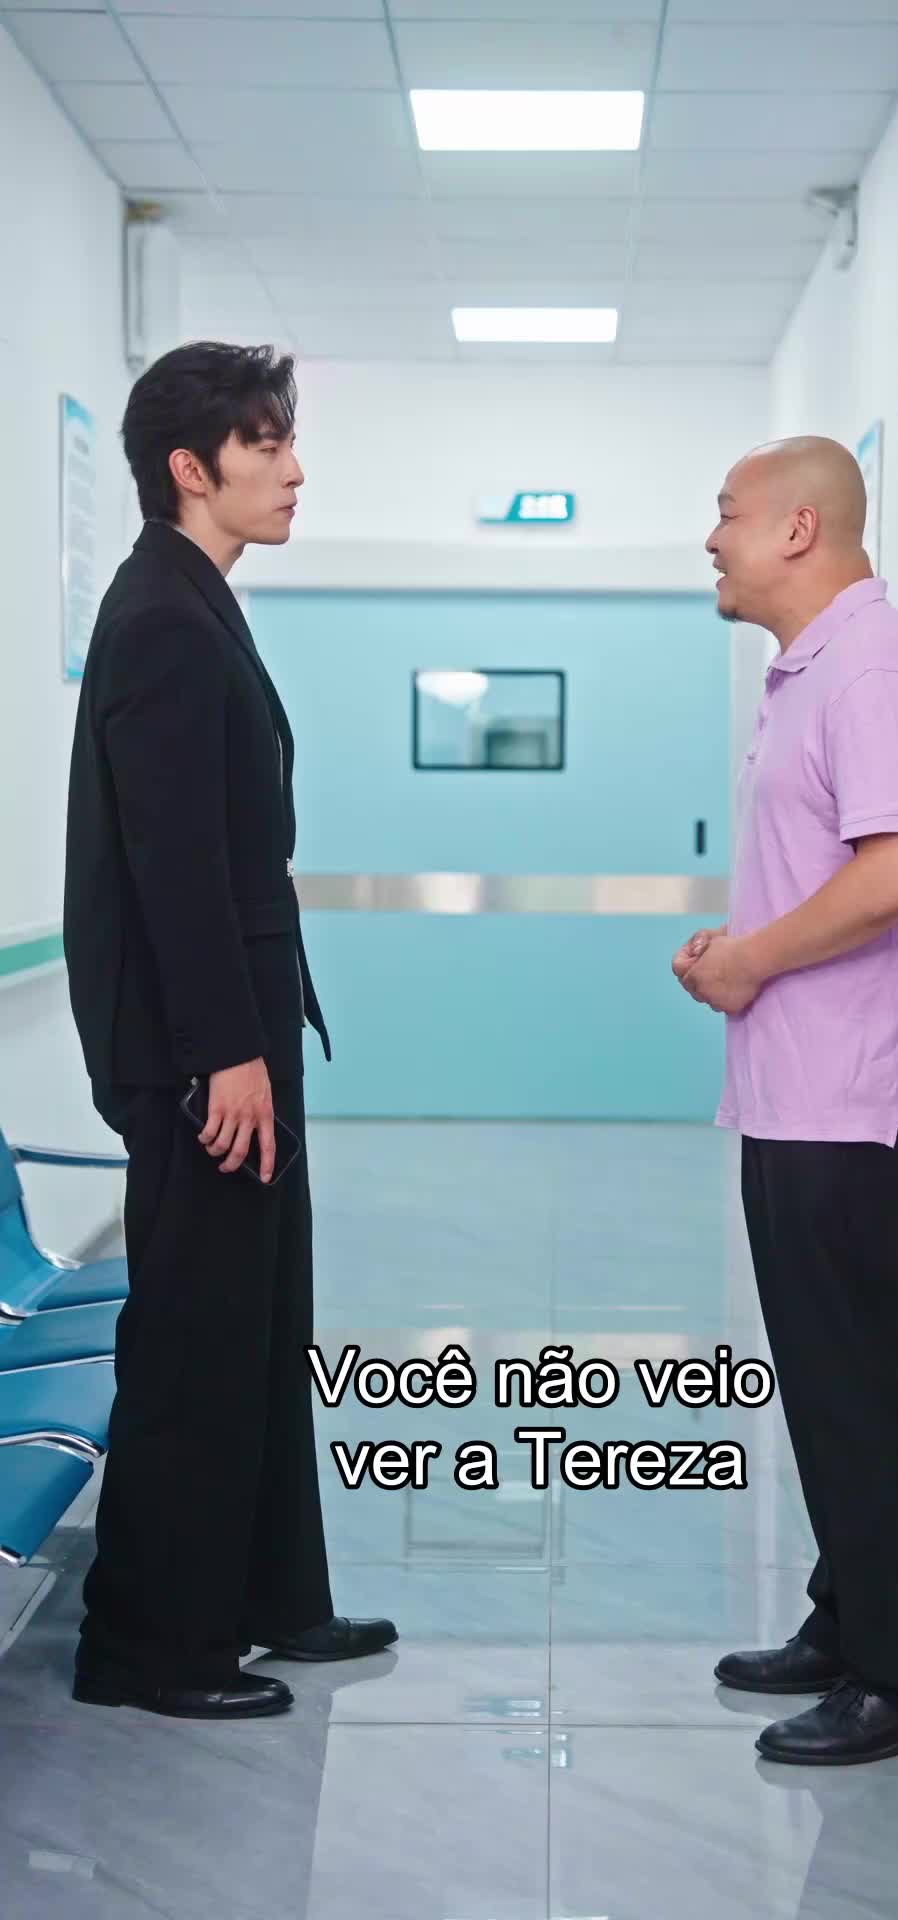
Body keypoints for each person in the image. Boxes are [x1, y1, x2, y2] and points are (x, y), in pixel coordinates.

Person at [64, 342, 397, 1720]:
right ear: (190, 469)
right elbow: (173, 860)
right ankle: (153, 1645)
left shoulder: (195, 602)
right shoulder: (160, 617)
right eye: (268, 444)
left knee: (261, 1323)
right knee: (198, 1338)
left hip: (238, 1025)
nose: (295, 468)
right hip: (201, 1047)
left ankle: (271, 1599)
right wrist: (223, 1053)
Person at [674, 436, 898, 1766]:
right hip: (808, 1088)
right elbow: (834, 866)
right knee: (828, 1378)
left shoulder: (870, 668)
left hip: (853, 1099)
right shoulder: (814, 670)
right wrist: (744, 949)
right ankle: (852, 1617)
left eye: (727, 513)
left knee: (862, 1384)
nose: (712, 538)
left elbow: (896, 873)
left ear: (799, 528)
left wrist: (750, 960)